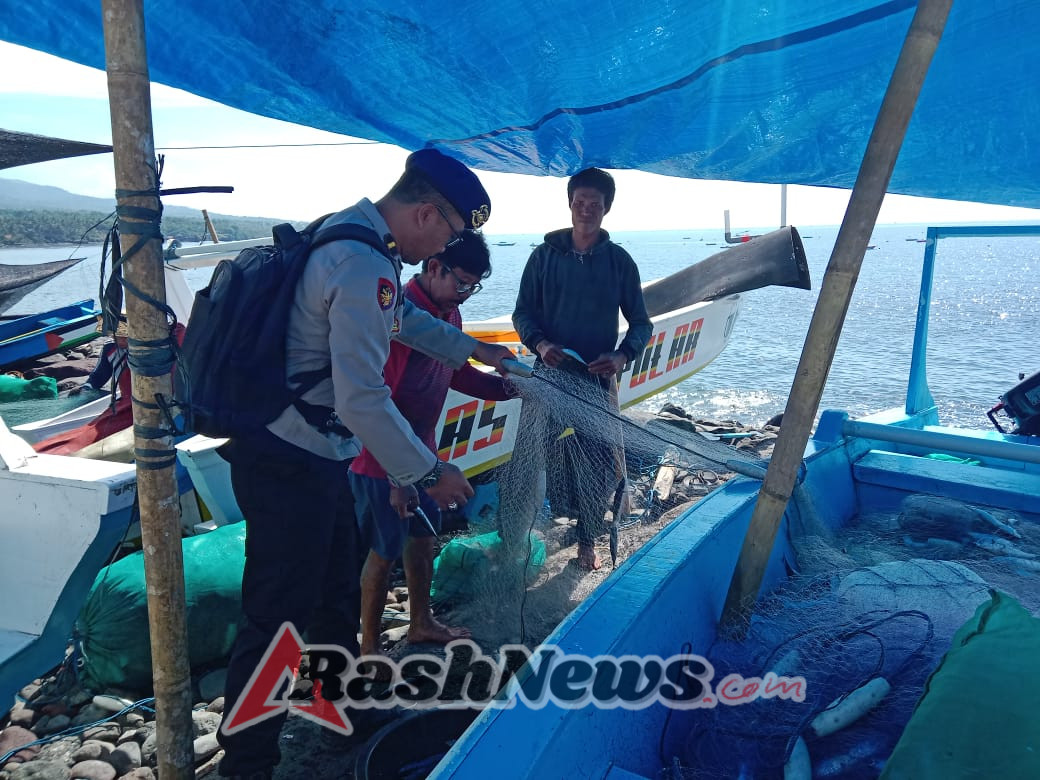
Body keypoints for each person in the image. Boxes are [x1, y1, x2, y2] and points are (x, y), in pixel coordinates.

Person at [216, 149, 513, 779]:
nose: (444, 248)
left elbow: (403, 321)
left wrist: (476, 349)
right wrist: (427, 472)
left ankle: (336, 708)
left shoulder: (352, 234)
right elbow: (362, 398)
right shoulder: (363, 263)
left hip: (314, 452)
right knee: (276, 614)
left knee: (332, 594)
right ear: (427, 213)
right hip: (288, 457)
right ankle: (246, 763)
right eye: (449, 235)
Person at [350, 230, 509, 655]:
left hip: (424, 454)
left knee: (422, 538)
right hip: (381, 459)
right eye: (462, 284)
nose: (466, 295)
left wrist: (508, 389)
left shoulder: (448, 313)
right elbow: (378, 401)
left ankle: (421, 622)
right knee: (382, 553)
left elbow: (456, 373)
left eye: (473, 287)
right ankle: (369, 649)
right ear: (434, 267)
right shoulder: (400, 314)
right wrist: (399, 478)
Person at [512, 167, 653, 571]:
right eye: (580, 203)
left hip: (595, 380)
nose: (586, 210)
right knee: (536, 459)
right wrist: (540, 344)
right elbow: (522, 314)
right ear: (570, 205)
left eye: (595, 204)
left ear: (607, 209)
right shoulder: (542, 257)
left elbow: (641, 323)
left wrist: (622, 356)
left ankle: (588, 542)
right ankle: (519, 539)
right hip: (549, 378)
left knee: (595, 463)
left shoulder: (619, 262)